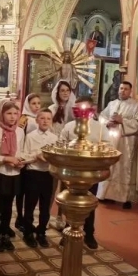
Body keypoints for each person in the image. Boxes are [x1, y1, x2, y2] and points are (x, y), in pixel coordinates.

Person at [59, 97, 103, 250]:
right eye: (77, 108)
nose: (80, 112)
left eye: (84, 108)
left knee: (89, 203)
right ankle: (68, 229)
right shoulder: (69, 126)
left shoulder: (99, 128)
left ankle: (89, 233)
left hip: (91, 173)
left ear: (92, 110)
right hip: (71, 172)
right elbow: (61, 144)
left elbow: (107, 145)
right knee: (70, 202)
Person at [98, 81, 138, 209]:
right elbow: (102, 116)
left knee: (125, 167)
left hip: (126, 142)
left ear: (130, 91)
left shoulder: (136, 106)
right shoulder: (112, 104)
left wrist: (122, 121)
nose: (122, 91)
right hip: (111, 140)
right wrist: (107, 123)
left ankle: (125, 197)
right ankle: (106, 195)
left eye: (126, 89)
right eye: (121, 88)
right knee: (110, 165)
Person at [0, 101, 25, 252]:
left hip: (14, 173)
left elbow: (20, 151)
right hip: (0, 173)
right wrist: (6, 159)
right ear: (2, 114)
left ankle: (4, 233)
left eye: (15, 113)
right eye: (9, 113)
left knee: (9, 205)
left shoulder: (20, 131)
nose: (12, 117)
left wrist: (20, 161)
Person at [20, 108, 58, 248]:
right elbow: (24, 155)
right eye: (42, 118)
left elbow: (56, 156)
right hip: (33, 173)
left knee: (45, 206)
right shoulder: (30, 136)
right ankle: (28, 232)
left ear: (51, 121)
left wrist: (50, 159)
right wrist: (37, 156)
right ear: (36, 120)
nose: (45, 121)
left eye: (48, 118)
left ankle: (41, 231)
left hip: (47, 174)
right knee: (30, 204)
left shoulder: (54, 138)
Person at [48, 80, 75, 231]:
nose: (65, 93)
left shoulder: (74, 110)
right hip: (55, 150)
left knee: (66, 188)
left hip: (69, 152)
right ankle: (46, 216)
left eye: (67, 90)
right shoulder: (52, 109)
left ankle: (62, 217)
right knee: (51, 186)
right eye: (62, 90)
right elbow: (49, 129)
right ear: (57, 93)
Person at [15, 93, 41, 232]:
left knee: (30, 192)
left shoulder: (40, 118)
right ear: (27, 104)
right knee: (21, 191)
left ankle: (27, 218)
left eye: (38, 103)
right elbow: (20, 138)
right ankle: (19, 216)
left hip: (35, 159)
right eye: (33, 103)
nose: (36, 106)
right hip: (24, 157)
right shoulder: (24, 119)